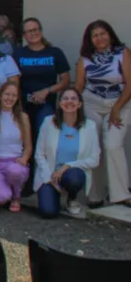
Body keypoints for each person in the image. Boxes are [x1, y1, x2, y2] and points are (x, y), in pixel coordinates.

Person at [75, 19, 131, 206]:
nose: (100, 38)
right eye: (95, 35)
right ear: (89, 40)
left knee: (113, 145)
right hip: (92, 103)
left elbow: (130, 85)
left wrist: (116, 108)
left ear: (110, 34)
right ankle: (95, 194)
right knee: (94, 147)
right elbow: (79, 87)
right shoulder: (85, 59)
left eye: (103, 33)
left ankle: (121, 194)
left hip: (120, 103)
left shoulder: (122, 53)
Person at [33, 89, 100, 218]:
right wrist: (49, 178)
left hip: (71, 174)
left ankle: (71, 197)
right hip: (50, 174)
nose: (69, 101)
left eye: (74, 99)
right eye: (65, 98)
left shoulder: (89, 126)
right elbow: (39, 154)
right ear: (60, 103)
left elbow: (94, 159)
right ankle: (54, 194)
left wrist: (67, 166)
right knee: (48, 212)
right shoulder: (48, 122)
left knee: (73, 177)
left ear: (80, 104)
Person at [13, 18, 70, 148]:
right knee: (23, 140)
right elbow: (13, 82)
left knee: (45, 137)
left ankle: (44, 167)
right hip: (23, 104)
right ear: (24, 35)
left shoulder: (55, 52)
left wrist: (46, 91)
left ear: (41, 31)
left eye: (35, 30)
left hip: (47, 104)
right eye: (28, 31)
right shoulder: (18, 54)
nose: (32, 34)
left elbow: (65, 80)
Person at [0, 81, 32, 212]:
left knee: (14, 171)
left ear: (17, 98)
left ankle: (16, 196)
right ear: (0, 95)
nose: (10, 98)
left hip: (16, 162)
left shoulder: (22, 117)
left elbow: (28, 146)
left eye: (14, 95)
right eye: (7, 94)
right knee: (0, 199)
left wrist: (24, 159)